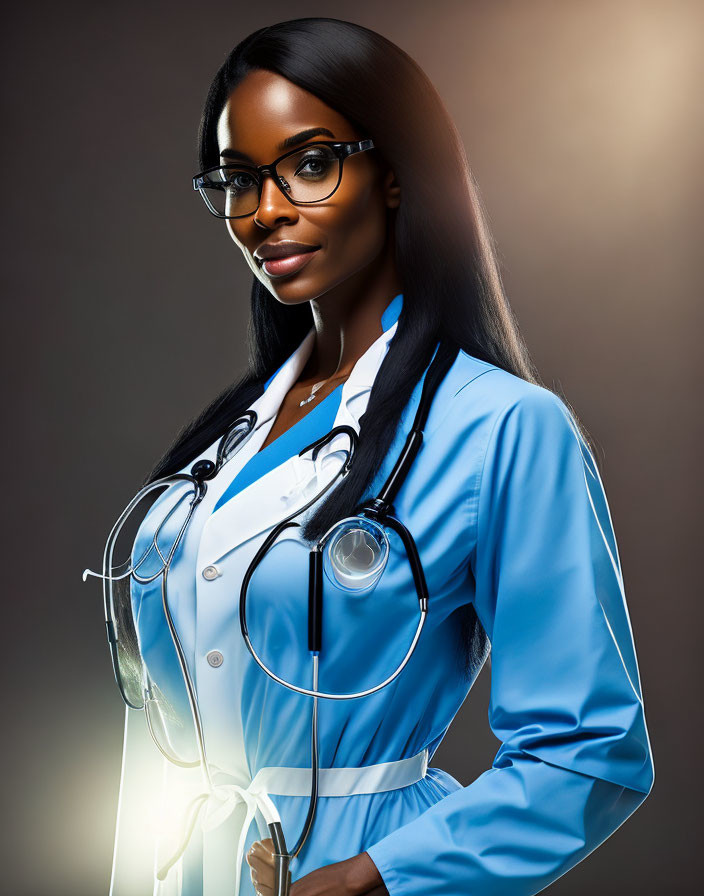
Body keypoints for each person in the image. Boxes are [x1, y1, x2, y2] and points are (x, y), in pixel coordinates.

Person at [106, 17, 654, 896]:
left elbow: (588, 753)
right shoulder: (226, 437)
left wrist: (379, 877)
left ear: (395, 173)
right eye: (238, 180)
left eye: (310, 164)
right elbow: (162, 731)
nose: (266, 211)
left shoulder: (504, 428)